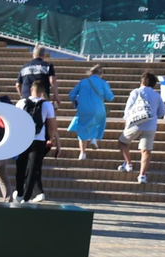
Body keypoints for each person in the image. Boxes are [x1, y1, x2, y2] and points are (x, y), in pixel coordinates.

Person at [14, 77, 58, 205]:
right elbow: (51, 125)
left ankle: (19, 192)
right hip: (38, 140)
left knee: (20, 167)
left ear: (31, 89)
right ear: (43, 91)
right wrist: (50, 139)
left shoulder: (21, 102)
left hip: (22, 139)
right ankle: (27, 197)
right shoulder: (47, 105)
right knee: (33, 169)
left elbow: (15, 122)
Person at [118, 72, 164, 185]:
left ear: (142, 81)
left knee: (123, 142)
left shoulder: (136, 92)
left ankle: (128, 163)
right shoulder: (157, 95)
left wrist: (127, 121)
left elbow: (128, 109)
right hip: (150, 125)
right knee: (146, 151)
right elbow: (162, 112)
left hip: (135, 123)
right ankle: (142, 175)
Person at [66, 65, 113, 161]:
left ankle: (82, 153)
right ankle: (93, 139)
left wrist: (77, 99)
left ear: (91, 73)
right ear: (101, 74)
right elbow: (110, 97)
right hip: (98, 109)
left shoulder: (83, 82)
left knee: (82, 129)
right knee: (97, 123)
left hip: (83, 109)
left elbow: (71, 95)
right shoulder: (103, 83)